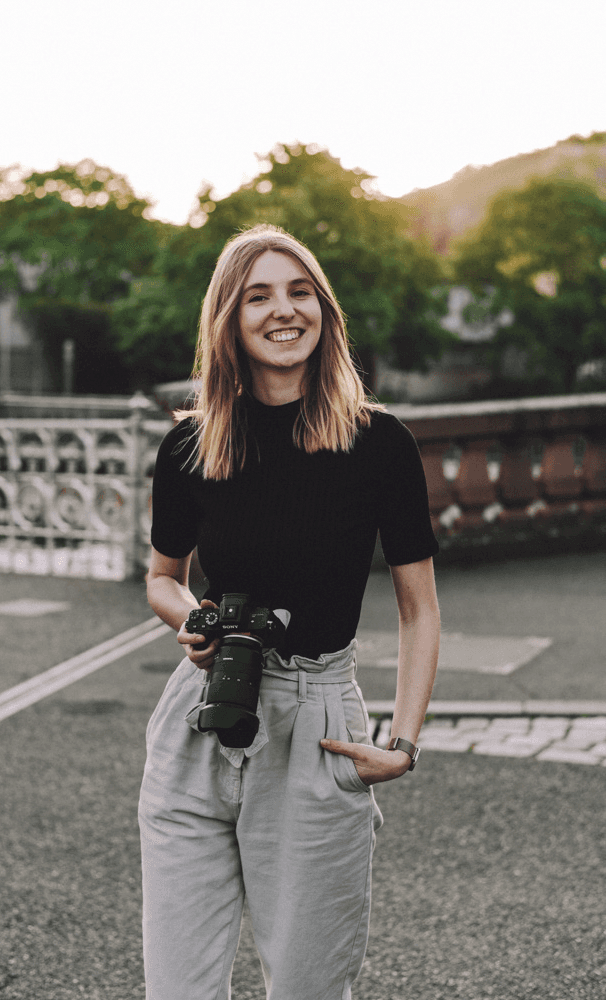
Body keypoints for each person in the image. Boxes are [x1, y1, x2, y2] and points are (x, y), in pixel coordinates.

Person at [139, 224, 441, 1000]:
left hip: (318, 724)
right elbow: (163, 578)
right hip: (202, 715)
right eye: (259, 295)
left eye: (299, 291)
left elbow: (419, 609)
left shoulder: (379, 444)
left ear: (324, 310)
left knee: (308, 987)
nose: (284, 310)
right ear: (229, 319)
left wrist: (402, 743)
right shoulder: (190, 447)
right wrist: (190, 621)